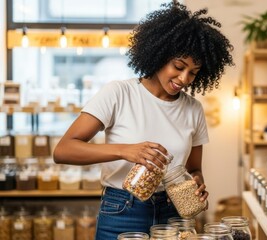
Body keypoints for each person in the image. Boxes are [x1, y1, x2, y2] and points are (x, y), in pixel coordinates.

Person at [53, 2, 234, 239]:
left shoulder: (193, 109)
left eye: (193, 72)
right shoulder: (119, 93)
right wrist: (125, 151)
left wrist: (196, 183)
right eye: (178, 66)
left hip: (175, 211)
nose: (184, 78)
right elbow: (63, 151)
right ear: (159, 54)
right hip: (123, 209)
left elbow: (194, 169)